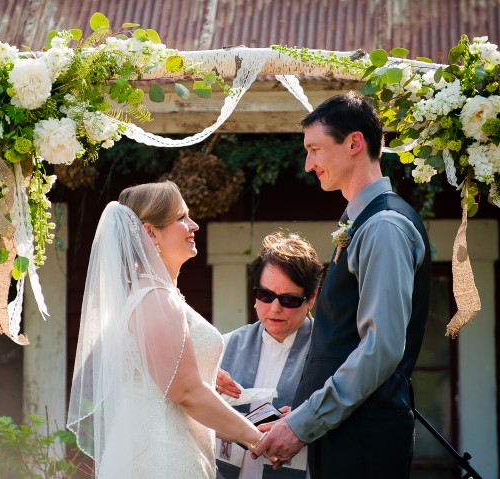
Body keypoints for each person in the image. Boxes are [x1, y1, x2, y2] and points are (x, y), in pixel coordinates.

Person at [256, 91, 432, 479]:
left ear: (354, 143)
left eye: (315, 149)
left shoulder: (384, 227)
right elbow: (342, 341)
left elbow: (380, 349)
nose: (307, 164)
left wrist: (304, 424)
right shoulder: (362, 222)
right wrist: (304, 409)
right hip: (345, 431)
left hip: (364, 441)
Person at [67, 181, 266, 478]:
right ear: (150, 232)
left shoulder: (150, 295)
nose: (194, 225)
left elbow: (163, 372)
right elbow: (187, 392)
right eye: (181, 218)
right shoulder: (156, 298)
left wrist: (203, 368)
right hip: (162, 459)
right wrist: (258, 438)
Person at [215, 231, 323, 479]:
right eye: (265, 295)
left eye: (288, 299)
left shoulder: (327, 353)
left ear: (312, 297)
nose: (275, 308)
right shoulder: (226, 344)